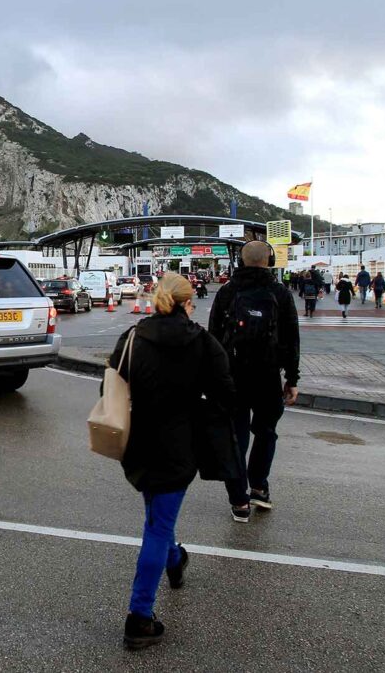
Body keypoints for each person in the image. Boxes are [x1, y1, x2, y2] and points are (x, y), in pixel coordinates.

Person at [104, 273, 236, 649]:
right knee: (157, 527)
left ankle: (175, 560)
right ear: (187, 302)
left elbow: (110, 386)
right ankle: (139, 617)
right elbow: (226, 396)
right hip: (179, 446)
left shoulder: (132, 338)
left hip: (139, 443)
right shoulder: (202, 342)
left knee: (157, 517)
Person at [209, 241, 300, 523]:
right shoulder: (280, 293)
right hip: (268, 376)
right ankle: (258, 486)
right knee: (266, 431)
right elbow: (291, 339)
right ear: (270, 260)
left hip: (232, 377)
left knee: (236, 438)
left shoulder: (227, 291)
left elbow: (213, 337)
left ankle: (239, 501)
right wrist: (292, 378)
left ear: (240, 261)